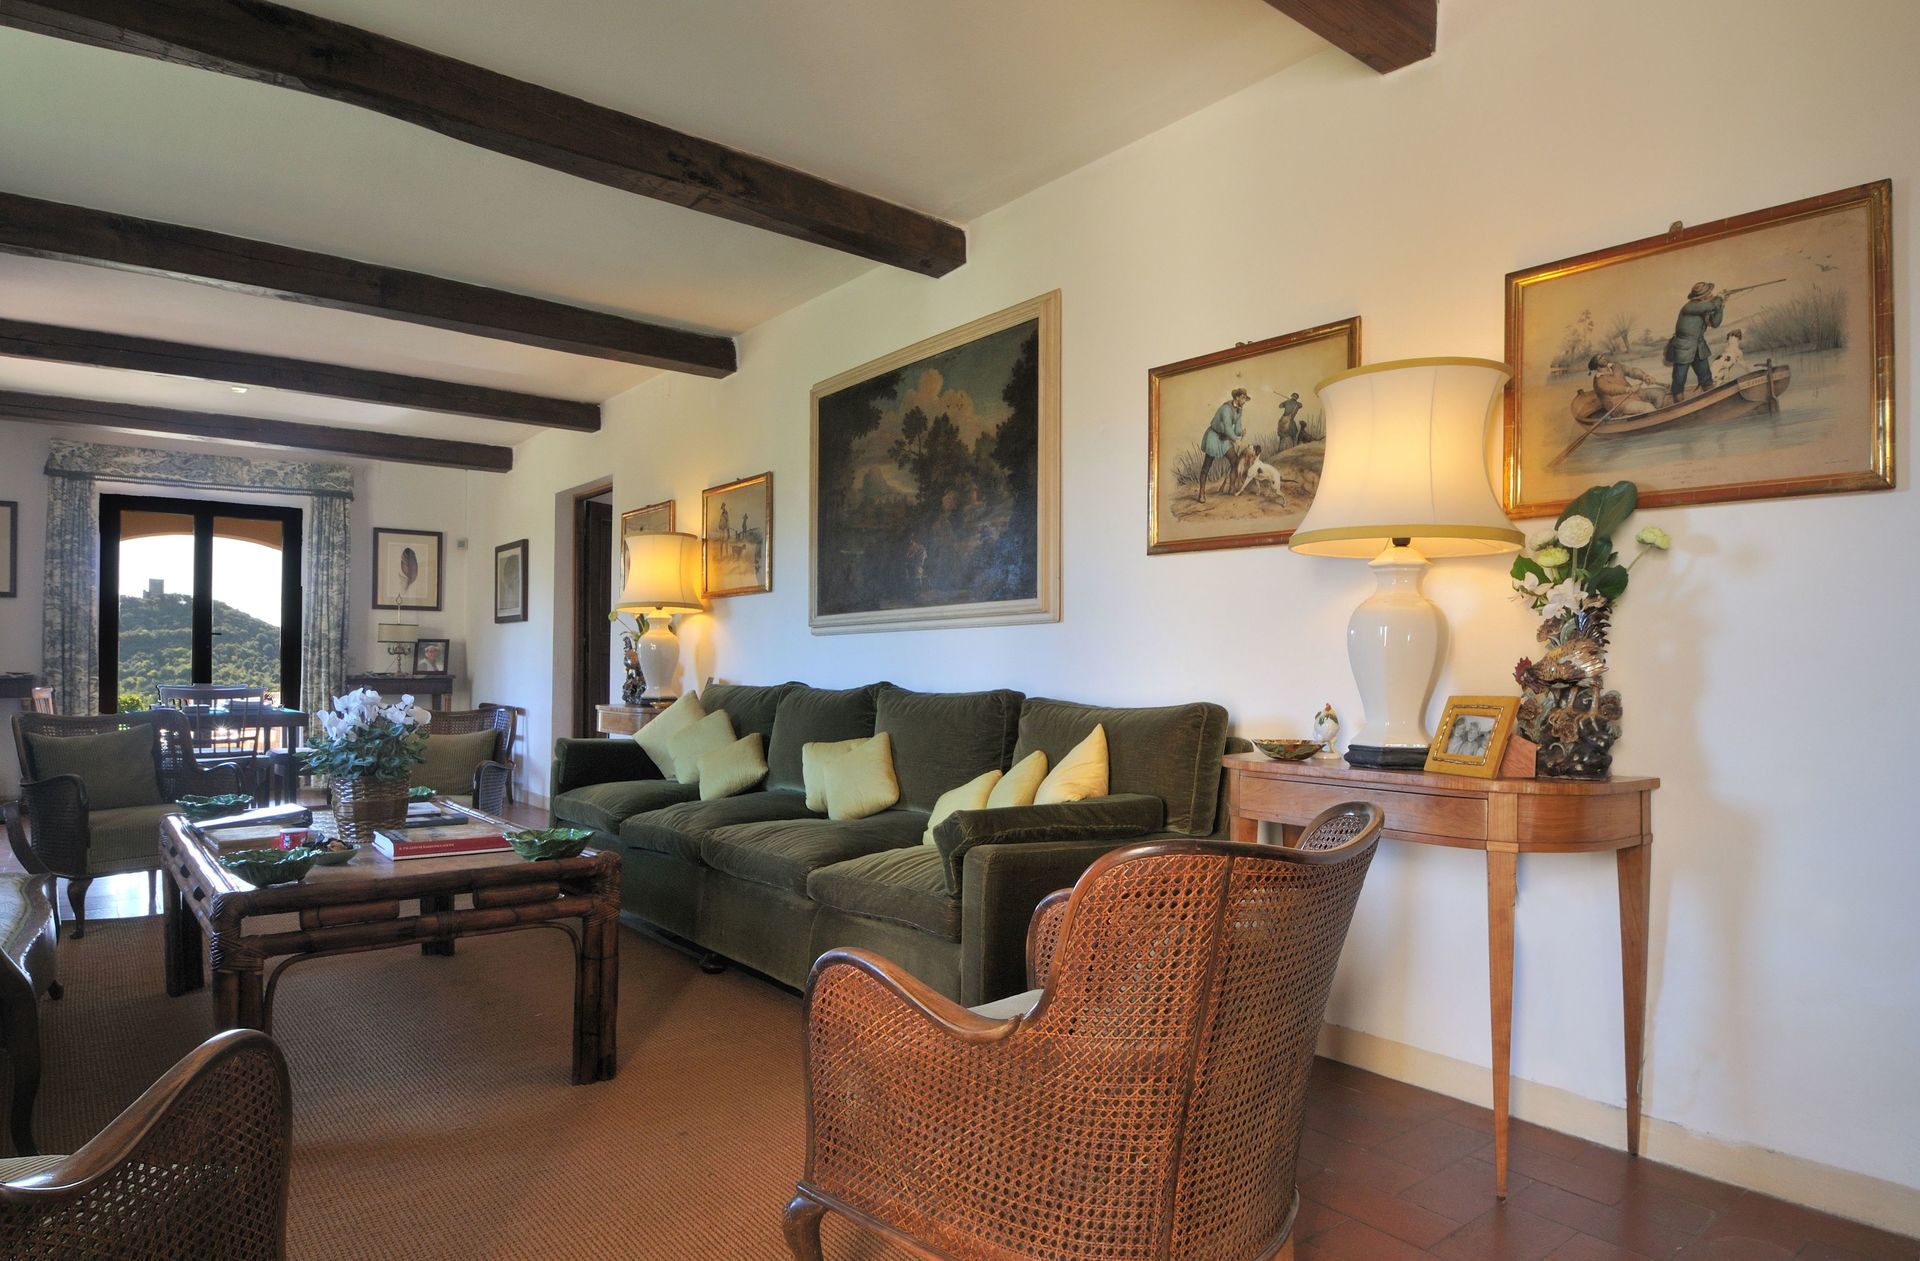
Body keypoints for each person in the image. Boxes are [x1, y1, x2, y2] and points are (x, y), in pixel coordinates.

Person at [1664, 280, 1726, 403]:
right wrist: (1719, 298)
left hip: (1699, 347)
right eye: (1708, 294)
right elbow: (1711, 305)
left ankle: (1712, 400)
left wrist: (1721, 306)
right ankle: (1679, 403)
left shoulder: (1704, 307)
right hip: (1684, 348)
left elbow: (1715, 323)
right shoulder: (1690, 306)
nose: (1711, 295)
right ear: (1701, 297)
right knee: (1679, 379)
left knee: (1706, 378)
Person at [1197, 388, 1248, 503]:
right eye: (1243, 398)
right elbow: (1228, 428)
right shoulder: (1226, 409)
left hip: (1224, 438)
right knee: (1206, 466)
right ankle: (1201, 493)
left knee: (1235, 461)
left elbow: (1237, 428)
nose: (1244, 401)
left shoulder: (1240, 410)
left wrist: (1241, 432)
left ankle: (1232, 488)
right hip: (1214, 437)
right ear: (1236, 397)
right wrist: (1236, 440)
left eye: (1245, 399)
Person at [1587, 353, 1661, 417]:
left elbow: (1631, 371)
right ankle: (1655, 420)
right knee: (1647, 407)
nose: (1604, 358)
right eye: (1600, 358)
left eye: (1603, 356)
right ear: (1596, 364)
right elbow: (1611, 389)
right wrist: (1628, 389)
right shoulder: (1599, 380)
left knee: (1658, 393)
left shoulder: (1616, 367)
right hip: (1618, 404)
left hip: (1634, 394)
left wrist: (1644, 377)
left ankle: (1656, 416)